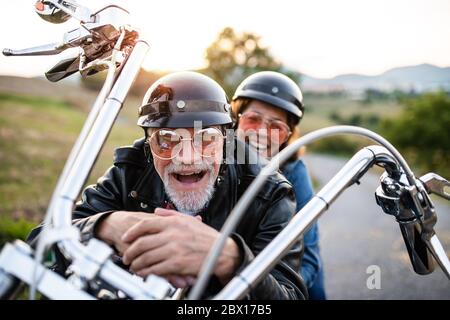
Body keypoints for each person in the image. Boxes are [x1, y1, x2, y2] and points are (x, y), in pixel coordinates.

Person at [27, 71, 307, 299]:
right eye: (165, 139)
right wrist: (104, 225)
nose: (186, 157)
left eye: (205, 138)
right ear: (149, 145)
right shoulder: (131, 170)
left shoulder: (270, 192)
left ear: (226, 139)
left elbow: (289, 295)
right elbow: (39, 245)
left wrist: (230, 258)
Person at [232, 71, 327, 300]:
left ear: (287, 136)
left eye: (276, 127)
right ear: (236, 119)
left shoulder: (294, 172)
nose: (262, 133)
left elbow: (308, 259)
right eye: (252, 120)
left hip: (280, 277)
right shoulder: (214, 159)